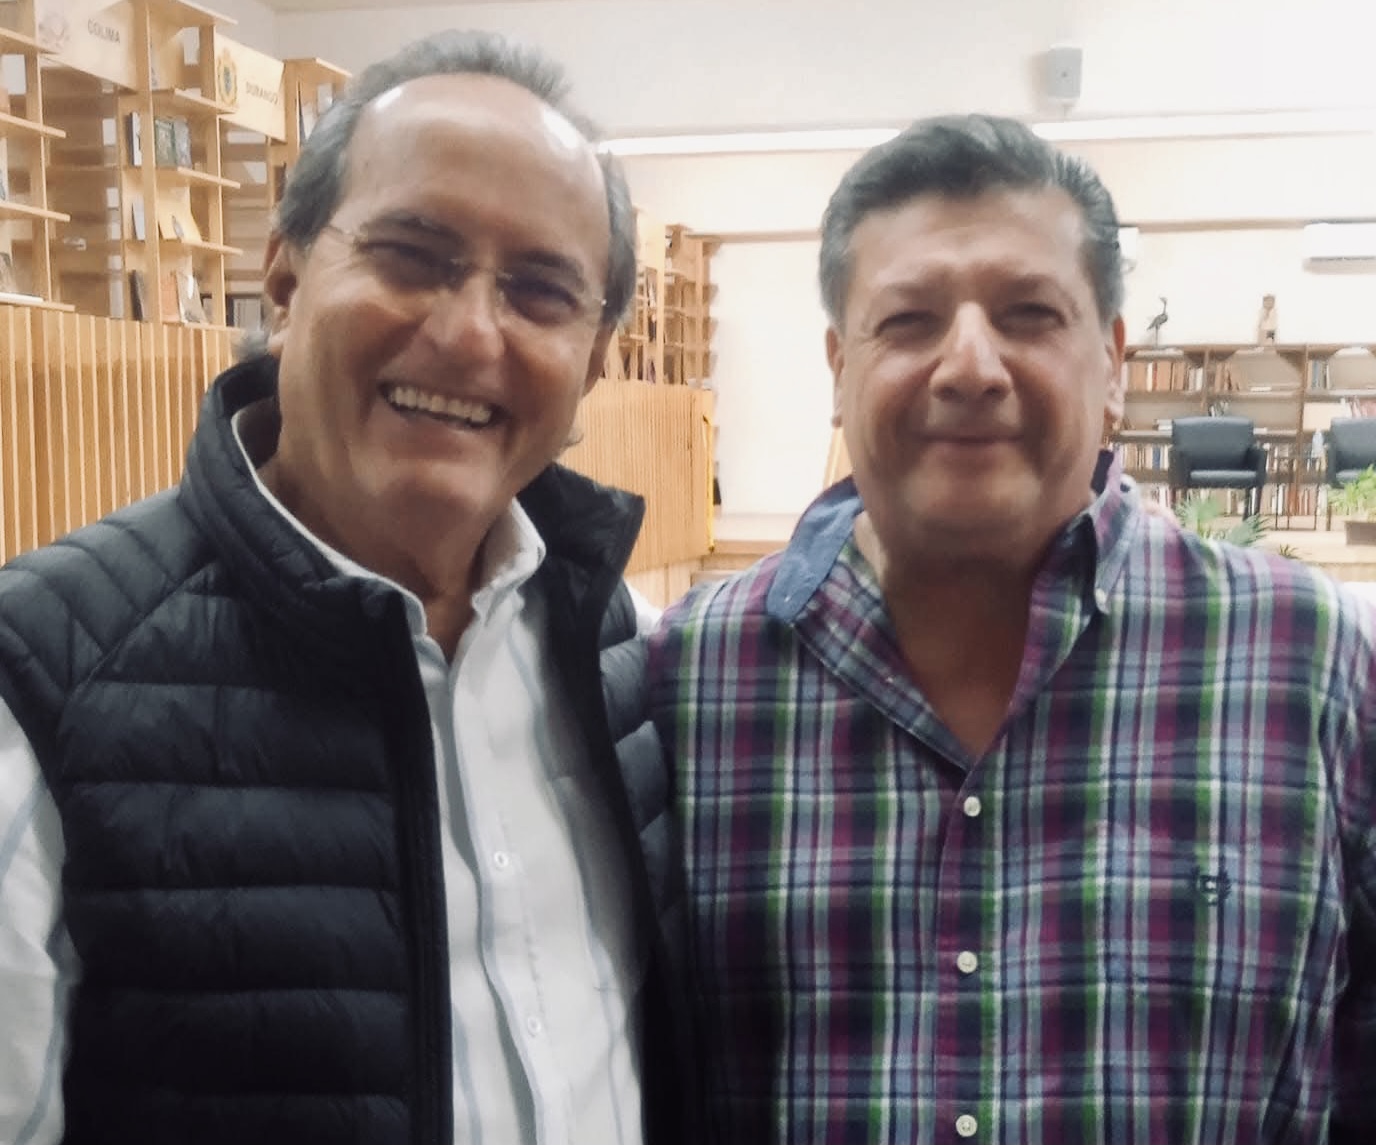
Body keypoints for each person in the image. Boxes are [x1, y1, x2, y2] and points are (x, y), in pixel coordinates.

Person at [0, 30, 694, 1145]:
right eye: (412, 256)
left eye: (540, 292)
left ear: (595, 364)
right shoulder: (42, 676)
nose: (468, 332)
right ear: (284, 281)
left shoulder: (624, 657)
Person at [649, 113, 1376, 1144]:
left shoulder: (1308, 663)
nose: (969, 366)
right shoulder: (688, 682)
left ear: (1113, 362)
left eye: (1029, 313)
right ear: (838, 369)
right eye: (908, 321)